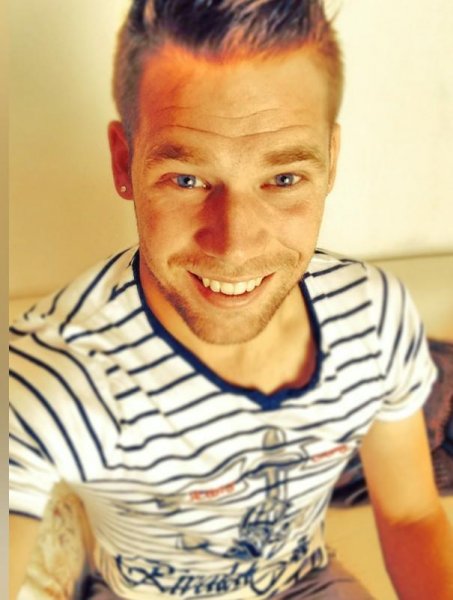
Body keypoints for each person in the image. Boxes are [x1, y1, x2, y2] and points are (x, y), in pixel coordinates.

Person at [9, 1, 453, 598]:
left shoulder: (374, 317)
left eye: (283, 179)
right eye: (187, 179)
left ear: (330, 161)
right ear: (123, 162)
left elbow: (411, 515)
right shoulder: (55, 372)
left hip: (307, 582)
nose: (235, 246)